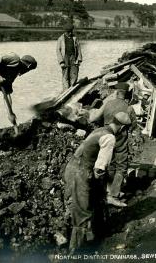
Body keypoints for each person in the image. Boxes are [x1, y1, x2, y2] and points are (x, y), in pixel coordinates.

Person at [63, 111, 132, 252]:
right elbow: (100, 167)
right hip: (82, 172)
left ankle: (96, 233)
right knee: (83, 211)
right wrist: (99, 182)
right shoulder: (110, 137)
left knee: (90, 201)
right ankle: (76, 252)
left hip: (73, 166)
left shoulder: (100, 130)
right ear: (123, 128)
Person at [88, 82, 137, 207]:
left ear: (116, 92)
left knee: (109, 163)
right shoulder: (129, 108)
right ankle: (114, 195)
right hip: (120, 140)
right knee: (121, 166)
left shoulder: (108, 104)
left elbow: (94, 118)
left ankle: (107, 191)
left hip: (106, 136)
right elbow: (133, 126)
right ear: (126, 94)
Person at [57, 22, 82, 90]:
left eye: (71, 31)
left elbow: (79, 49)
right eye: (68, 32)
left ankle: (73, 88)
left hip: (73, 57)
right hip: (65, 58)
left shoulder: (75, 38)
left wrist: (79, 60)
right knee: (65, 75)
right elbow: (58, 51)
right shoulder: (61, 39)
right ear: (65, 31)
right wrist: (61, 62)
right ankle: (66, 90)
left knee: (74, 73)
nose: (70, 33)